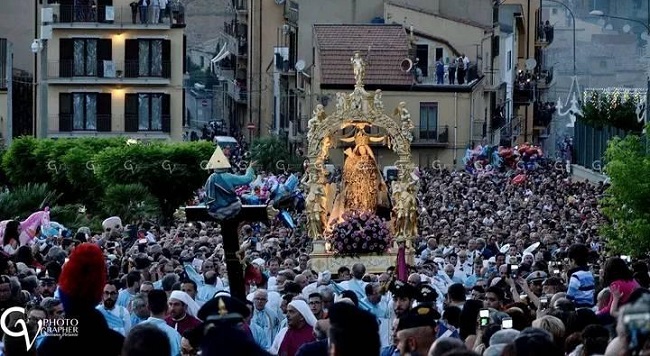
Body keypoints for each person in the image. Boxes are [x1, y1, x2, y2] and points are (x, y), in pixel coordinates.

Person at [204, 145, 256, 220]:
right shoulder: (229, 176)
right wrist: (250, 168)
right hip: (230, 208)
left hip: (213, 210)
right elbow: (247, 179)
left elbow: (207, 195)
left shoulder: (210, 178)